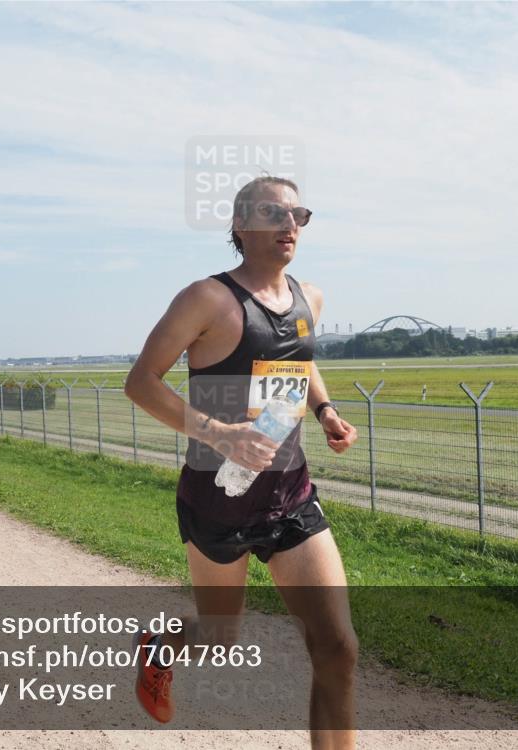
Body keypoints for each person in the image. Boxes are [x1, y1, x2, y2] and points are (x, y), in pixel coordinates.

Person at [124, 176, 359, 748]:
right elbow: (140, 382)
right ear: (239, 227)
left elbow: (300, 362)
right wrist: (220, 434)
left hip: (290, 496)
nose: (289, 225)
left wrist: (324, 409)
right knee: (219, 632)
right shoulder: (206, 299)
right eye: (275, 215)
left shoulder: (311, 297)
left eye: (298, 215)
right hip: (217, 498)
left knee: (337, 648)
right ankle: (161, 648)